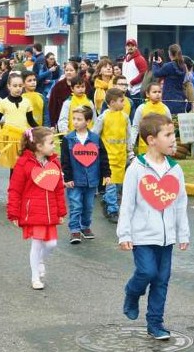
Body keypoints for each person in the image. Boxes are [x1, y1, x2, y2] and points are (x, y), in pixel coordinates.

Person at [118, 113, 191, 340]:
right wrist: (124, 234)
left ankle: (155, 324)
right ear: (151, 140)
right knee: (147, 272)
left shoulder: (175, 169)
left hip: (166, 238)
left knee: (161, 280)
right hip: (142, 236)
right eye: (167, 135)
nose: (173, 139)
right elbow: (127, 204)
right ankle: (132, 292)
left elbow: (181, 204)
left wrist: (183, 233)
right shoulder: (136, 168)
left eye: (173, 134)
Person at [7, 127, 67, 290]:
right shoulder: (23, 163)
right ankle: (35, 277)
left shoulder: (54, 163)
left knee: (52, 244)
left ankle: (40, 259)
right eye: (51, 143)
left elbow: (59, 189)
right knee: (37, 244)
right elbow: (15, 189)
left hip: (50, 212)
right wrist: (13, 213)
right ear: (39, 146)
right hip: (33, 211)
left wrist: (61, 211)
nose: (54, 145)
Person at [61, 105, 111, 244]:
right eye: (74, 119)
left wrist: (106, 174)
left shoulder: (95, 138)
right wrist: (68, 177)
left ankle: (85, 226)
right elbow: (65, 160)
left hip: (92, 180)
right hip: (75, 180)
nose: (75, 122)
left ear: (88, 121)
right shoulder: (68, 139)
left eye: (79, 119)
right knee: (76, 205)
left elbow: (103, 157)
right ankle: (75, 229)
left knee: (88, 206)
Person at [93, 88, 133, 224]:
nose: (124, 103)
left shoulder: (125, 117)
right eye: (121, 101)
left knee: (119, 186)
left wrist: (130, 152)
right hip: (108, 159)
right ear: (112, 102)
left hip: (121, 158)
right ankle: (112, 210)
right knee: (111, 185)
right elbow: (95, 134)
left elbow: (128, 136)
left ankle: (106, 201)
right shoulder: (103, 117)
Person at [0, 73, 41, 170]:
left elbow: (31, 121)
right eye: (15, 86)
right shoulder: (3, 103)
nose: (18, 88)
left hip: (23, 137)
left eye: (20, 86)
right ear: (9, 86)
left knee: (24, 165)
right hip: (10, 138)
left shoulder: (26, 102)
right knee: (14, 167)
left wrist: (42, 130)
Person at [130, 82, 171, 155]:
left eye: (159, 92)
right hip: (145, 147)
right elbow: (135, 127)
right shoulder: (141, 108)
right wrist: (131, 143)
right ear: (147, 94)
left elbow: (169, 127)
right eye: (154, 92)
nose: (157, 94)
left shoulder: (165, 108)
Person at [151, 44, 190, 115]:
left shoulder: (168, 66)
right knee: (176, 121)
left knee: (168, 120)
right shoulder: (183, 66)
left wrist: (155, 63)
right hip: (180, 99)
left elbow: (156, 73)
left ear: (170, 53)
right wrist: (161, 64)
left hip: (169, 99)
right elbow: (170, 70)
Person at [47, 60, 82, 128]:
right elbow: (52, 106)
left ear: (76, 71)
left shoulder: (83, 84)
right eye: (66, 70)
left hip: (81, 121)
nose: (68, 72)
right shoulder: (58, 86)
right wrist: (52, 124)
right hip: (63, 123)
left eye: (71, 70)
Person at [122, 39, 149, 110]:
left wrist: (132, 82)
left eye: (132, 45)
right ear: (125, 47)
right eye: (128, 46)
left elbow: (143, 73)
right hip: (127, 91)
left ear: (136, 47)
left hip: (137, 92)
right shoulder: (125, 59)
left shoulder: (140, 59)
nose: (130, 47)